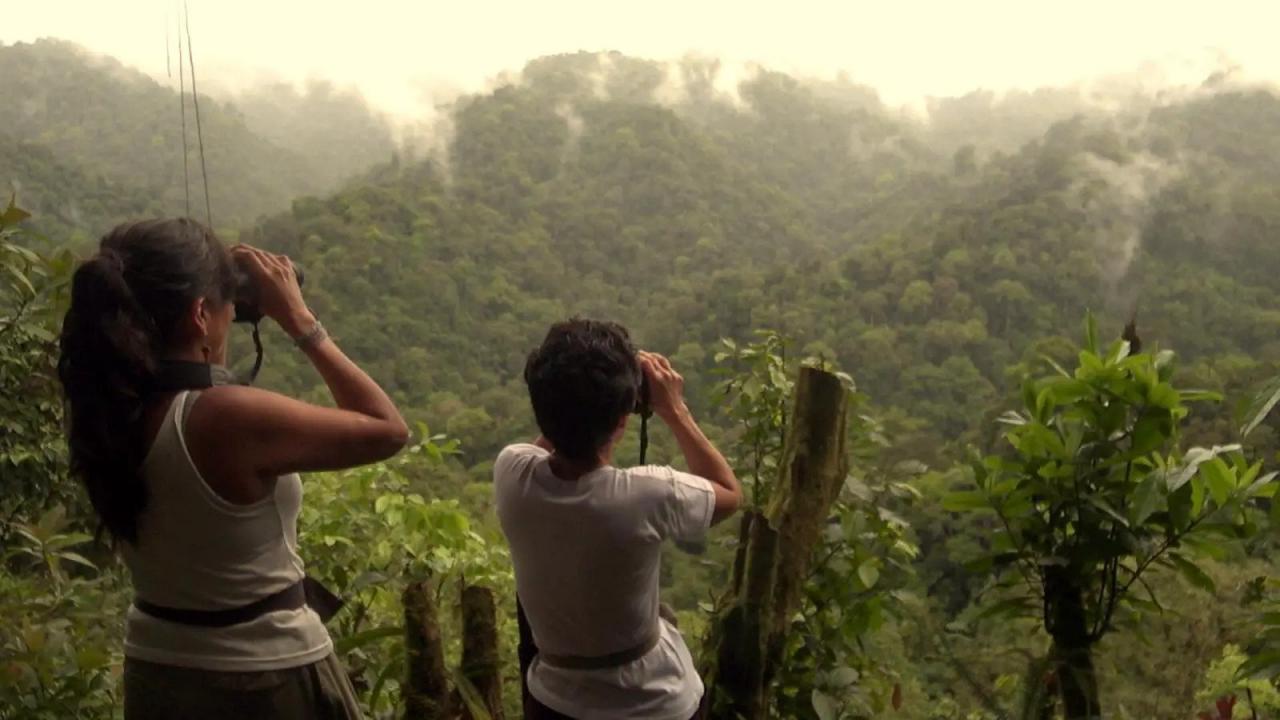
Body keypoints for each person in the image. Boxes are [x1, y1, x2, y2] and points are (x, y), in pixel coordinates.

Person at [57, 218, 409, 720]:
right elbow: (388, 429)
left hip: (156, 668)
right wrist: (299, 320)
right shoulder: (222, 417)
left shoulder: (106, 409)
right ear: (201, 314)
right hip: (262, 677)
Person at [494, 318, 743, 720]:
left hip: (552, 702)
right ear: (624, 420)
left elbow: (548, 441)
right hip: (656, 705)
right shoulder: (647, 495)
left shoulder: (510, 473)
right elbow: (728, 492)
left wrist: (587, 398)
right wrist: (673, 407)